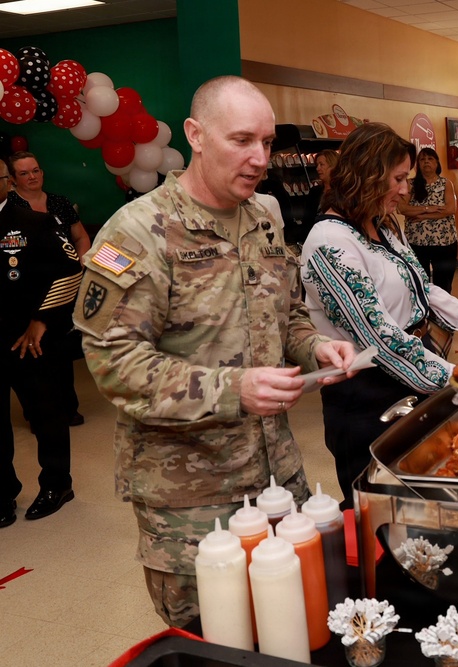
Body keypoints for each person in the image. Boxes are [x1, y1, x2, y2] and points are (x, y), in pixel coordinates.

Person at [72, 75, 358, 627]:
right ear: (195, 135)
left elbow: (287, 314)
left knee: (290, 628)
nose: (259, 158)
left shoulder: (265, 219)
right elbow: (113, 362)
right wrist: (234, 388)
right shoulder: (137, 233)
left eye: (268, 143)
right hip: (192, 501)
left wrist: (316, 347)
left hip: (277, 479)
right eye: (242, 140)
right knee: (213, 643)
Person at [299, 122, 458, 507]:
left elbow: (422, 289)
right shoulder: (330, 242)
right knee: (379, 502)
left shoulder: (381, 225)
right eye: (397, 178)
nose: (405, 189)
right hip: (365, 393)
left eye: (406, 178)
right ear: (367, 175)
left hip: (410, 370)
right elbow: (379, 337)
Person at [0, 159, 83, 528]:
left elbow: (71, 270)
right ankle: (2, 494)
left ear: (6, 183)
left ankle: (56, 484)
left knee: (46, 413)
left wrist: (42, 319)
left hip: (26, 339)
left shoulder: (32, 222)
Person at [9, 151, 89, 427]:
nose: (32, 176)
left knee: (61, 351)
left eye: (36, 170)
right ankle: (37, 413)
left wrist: (78, 266)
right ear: (12, 180)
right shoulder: (11, 209)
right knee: (32, 353)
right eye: (24, 173)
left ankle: (69, 408)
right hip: (28, 292)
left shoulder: (59, 202)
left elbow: (80, 237)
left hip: (64, 289)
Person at [397, 147, 458, 292]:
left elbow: (450, 209)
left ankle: (442, 311)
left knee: (444, 282)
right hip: (417, 241)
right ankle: (425, 311)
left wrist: (419, 216)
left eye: (430, 159)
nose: (426, 162)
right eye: (422, 159)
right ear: (417, 164)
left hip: (444, 241)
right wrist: (428, 208)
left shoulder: (446, 184)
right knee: (420, 280)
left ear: (437, 163)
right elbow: (402, 209)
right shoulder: (410, 184)